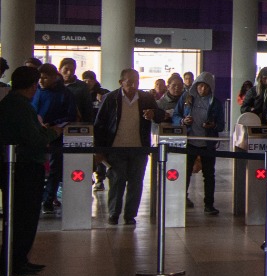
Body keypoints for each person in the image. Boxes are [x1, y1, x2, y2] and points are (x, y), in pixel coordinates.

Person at [0, 67, 61, 274]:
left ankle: (16, 259)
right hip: (25, 167)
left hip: (14, 165)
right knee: (25, 215)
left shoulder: (9, 104)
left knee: (18, 214)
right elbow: (34, 139)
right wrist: (52, 133)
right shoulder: (21, 106)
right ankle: (16, 261)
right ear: (33, 85)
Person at [92, 69, 168, 226]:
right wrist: (98, 150)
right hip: (116, 147)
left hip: (139, 148)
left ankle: (130, 215)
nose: (133, 85)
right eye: (129, 82)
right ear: (121, 82)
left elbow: (160, 116)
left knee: (136, 182)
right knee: (117, 180)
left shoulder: (146, 98)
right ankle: (114, 213)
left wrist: (154, 114)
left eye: (136, 81)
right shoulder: (110, 98)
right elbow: (99, 125)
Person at [173, 72, 222, 215]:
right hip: (189, 142)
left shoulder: (215, 103)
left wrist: (212, 125)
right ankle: (182, 199)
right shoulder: (187, 98)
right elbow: (176, 115)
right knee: (186, 173)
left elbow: (221, 125)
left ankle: (209, 204)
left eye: (206, 87)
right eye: (200, 86)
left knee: (209, 175)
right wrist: (183, 121)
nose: (202, 89)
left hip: (208, 143)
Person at [32, 64, 75, 217]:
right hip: (35, 136)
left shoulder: (65, 93)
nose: (41, 81)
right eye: (40, 78)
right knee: (36, 167)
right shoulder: (35, 91)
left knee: (54, 169)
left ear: (54, 77)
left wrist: (53, 124)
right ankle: (38, 198)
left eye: (45, 77)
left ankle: (48, 199)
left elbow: (70, 116)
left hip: (57, 136)